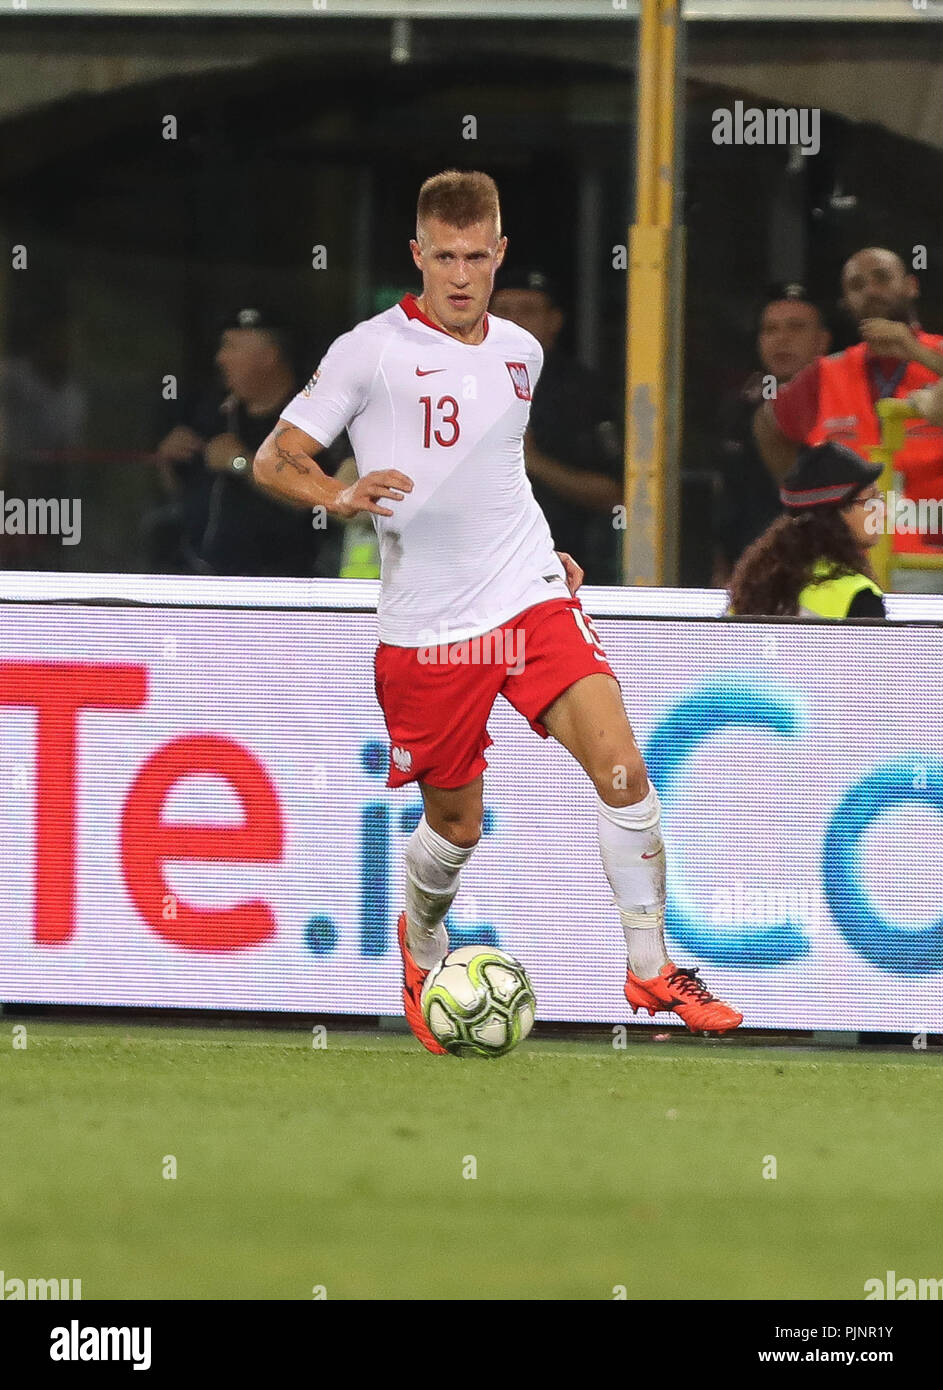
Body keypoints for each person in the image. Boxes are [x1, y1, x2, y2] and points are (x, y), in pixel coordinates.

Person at [254, 168, 742, 1047]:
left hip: (528, 597)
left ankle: (649, 967)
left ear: (499, 255)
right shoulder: (368, 351)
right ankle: (422, 936)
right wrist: (341, 491)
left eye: (476, 256)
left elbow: (496, 472)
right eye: (442, 256)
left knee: (623, 770)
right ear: (417, 255)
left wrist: (540, 549)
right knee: (455, 827)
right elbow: (273, 458)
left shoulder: (522, 351)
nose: (459, 274)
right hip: (428, 631)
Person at [753, 248, 943, 592]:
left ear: (911, 286)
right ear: (846, 303)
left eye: (882, 278)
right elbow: (768, 424)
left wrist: (913, 351)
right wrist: (801, 504)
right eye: (857, 285)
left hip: (931, 563)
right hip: (847, 570)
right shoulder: (826, 374)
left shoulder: (937, 355)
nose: (870, 290)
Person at [147, 308, 343, 576]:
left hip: (282, 584)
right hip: (200, 579)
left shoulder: (309, 419)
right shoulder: (213, 414)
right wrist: (167, 461)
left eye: (231, 347)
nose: (220, 359)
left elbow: (321, 500)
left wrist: (239, 462)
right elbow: (178, 492)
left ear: (268, 357)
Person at [489, 269, 623, 585]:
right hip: (476, 569)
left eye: (528, 311)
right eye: (503, 311)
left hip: (565, 571)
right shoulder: (458, 380)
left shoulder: (584, 392)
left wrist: (533, 461)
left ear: (555, 321)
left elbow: (616, 496)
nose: (514, 322)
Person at [712, 284, 830, 580]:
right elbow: (725, 504)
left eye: (796, 328)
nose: (782, 339)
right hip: (750, 573)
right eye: (770, 329)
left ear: (822, 341)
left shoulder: (841, 405)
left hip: (821, 573)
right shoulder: (738, 409)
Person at [728, 441, 885, 619]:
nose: (883, 512)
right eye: (871, 500)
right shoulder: (859, 597)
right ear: (835, 513)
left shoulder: (753, 587)